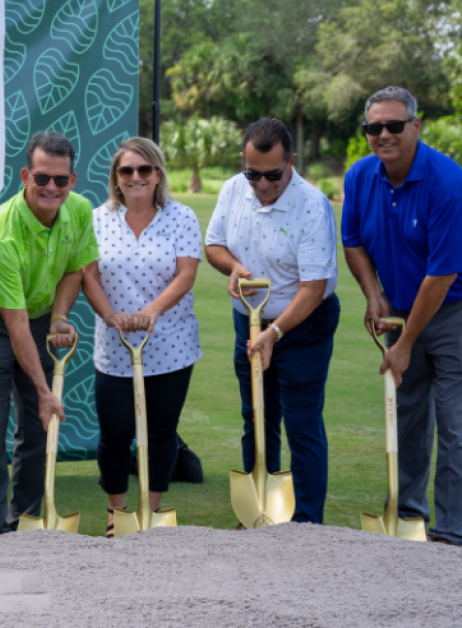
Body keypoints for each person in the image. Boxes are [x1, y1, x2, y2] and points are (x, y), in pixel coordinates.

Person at [341, 86, 462, 546]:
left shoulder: (447, 184)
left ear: (416, 125)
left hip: (452, 312)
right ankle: (409, 516)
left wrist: (405, 344)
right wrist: (373, 295)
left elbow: (442, 274)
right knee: (406, 416)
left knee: (455, 425)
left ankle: (451, 532)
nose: (384, 134)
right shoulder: (359, 175)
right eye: (374, 127)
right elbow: (352, 239)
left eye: (394, 125)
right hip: (397, 308)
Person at [0, 131, 99, 536]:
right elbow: (14, 323)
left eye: (60, 179)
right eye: (42, 178)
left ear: (72, 180)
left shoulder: (80, 210)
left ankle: (26, 523)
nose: (51, 188)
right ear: (25, 176)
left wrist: (59, 316)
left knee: (38, 427)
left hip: (39, 317)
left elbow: (77, 268)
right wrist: (44, 391)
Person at [205, 116, 339, 526]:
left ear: (292, 162)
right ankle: (261, 514)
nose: (262, 185)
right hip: (249, 321)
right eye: (253, 174)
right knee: (257, 415)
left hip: (303, 325)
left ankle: (307, 524)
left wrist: (274, 333)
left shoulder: (312, 204)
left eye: (273, 175)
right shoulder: (233, 189)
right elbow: (214, 245)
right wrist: (234, 268)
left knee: (301, 419)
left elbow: (313, 288)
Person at [81, 137, 202, 538]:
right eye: (126, 170)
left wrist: (151, 311)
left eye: (144, 170)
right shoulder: (96, 219)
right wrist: (110, 314)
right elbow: (88, 275)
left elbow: (186, 274)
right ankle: (117, 514)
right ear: (116, 178)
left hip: (171, 344)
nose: (135, 177)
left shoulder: (181, 217)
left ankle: (150, 513)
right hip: (115, 346)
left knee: (162, 432)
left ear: (158, 175)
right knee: (115, 434)